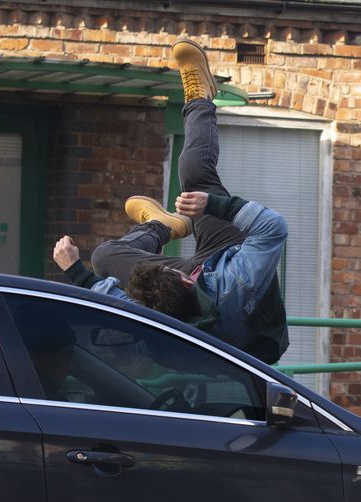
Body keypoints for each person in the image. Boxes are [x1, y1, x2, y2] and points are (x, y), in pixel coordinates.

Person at [51, 38, 290, 365]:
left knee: (105, 257)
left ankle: (162, 226)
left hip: (203, 295)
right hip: (237, 287)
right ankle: (201, 96)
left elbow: (119, 301)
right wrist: (213, 205)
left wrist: (78, 272)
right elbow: (273, 228)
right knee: (193, 172)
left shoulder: (161, 316)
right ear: (186, 276)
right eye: (178, 270)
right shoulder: (240, 281)